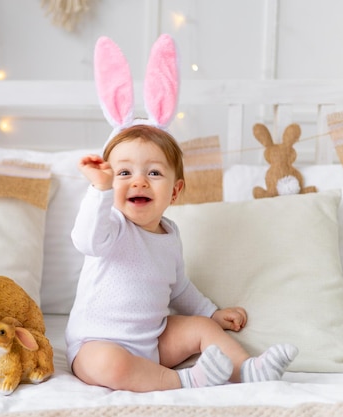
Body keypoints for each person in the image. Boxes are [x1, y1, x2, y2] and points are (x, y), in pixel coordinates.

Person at [65, 124, 298, 392]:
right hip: (96, 344)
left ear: (174, 192)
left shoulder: (170, 235)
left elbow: (179, 288)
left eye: (153, 173)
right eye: (124, 173)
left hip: (152, 341)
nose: (139, 181)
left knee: (200, 327)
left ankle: (248, 369)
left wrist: (211, 313)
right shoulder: (110, 227)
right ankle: (181, 380)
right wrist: (100, 190)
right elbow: (85, 240)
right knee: (111, 364)